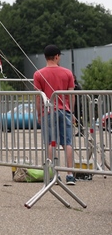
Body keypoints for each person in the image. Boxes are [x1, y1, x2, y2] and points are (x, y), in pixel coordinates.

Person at [33, 45, 75, 185]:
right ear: (57, 56)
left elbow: (38, 97)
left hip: (48, 111)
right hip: (65, 110)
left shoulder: (38, 74)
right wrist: (71, 111)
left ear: (45, 57)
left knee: (51, 143)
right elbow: (71, 95)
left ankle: (54, 174)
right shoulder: (68, 73)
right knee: (67, 143)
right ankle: (70, 174)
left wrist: (39, 114)